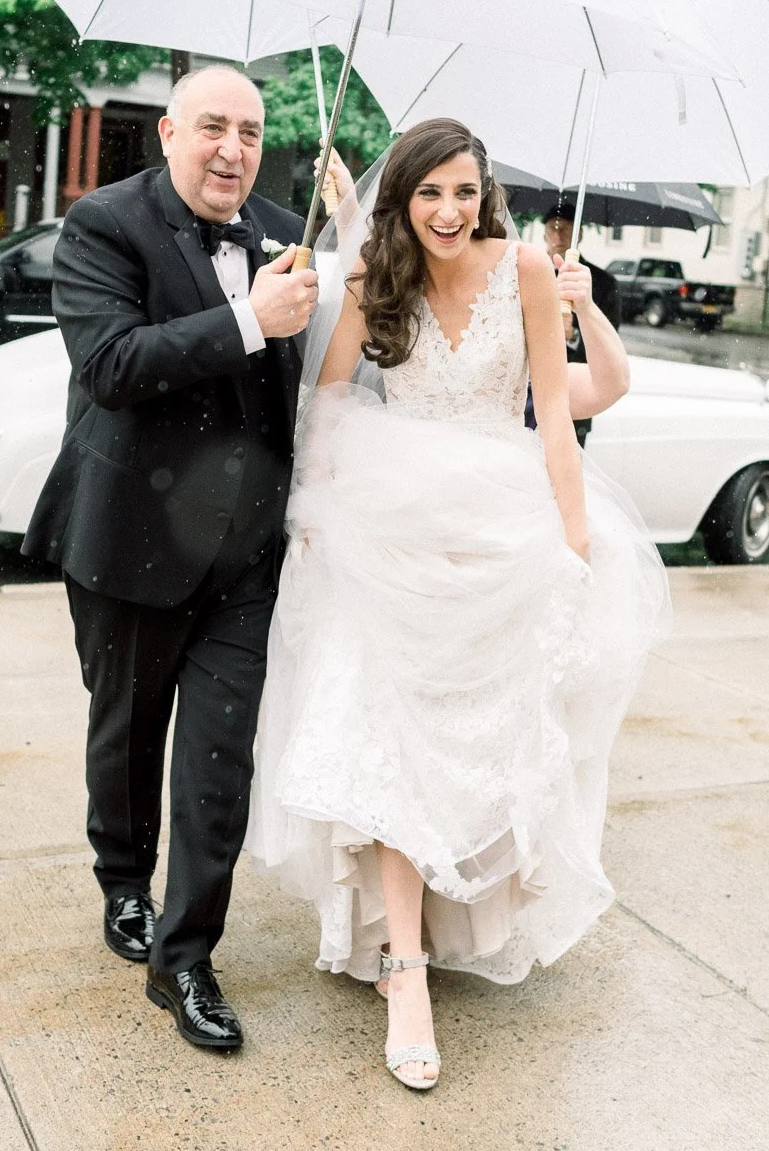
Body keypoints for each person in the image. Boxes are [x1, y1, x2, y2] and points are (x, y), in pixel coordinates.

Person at [247, 119, 670, 1091]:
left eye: (465, 192)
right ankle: (402, 970)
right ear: (402, 197)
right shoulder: (371, 279)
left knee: (484, 749)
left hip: (499, 534)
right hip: (390, 542)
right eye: (429, 192)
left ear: (487, 196)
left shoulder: (524, 267)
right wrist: (316, 515)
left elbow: (560, 421)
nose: (448, 211)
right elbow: (329, 401)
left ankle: (453, 915)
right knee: (390, 743)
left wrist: (571, 541)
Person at [23, 66, 317, 1053]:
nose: (233, 149)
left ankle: (185, 959)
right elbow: (109, 366)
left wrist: (348, 236)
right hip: (129, 540)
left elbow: (302, 392)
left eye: (250, 131)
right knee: (128, 734)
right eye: (213, 128)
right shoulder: (103, 225)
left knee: (216, 763)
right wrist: (247, 322)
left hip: (245, 555)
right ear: (168, 133)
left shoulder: (284, 232)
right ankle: (121, 882)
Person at [525, 197, 622, 447]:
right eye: (552, 229)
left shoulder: (602, 283)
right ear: (544, 233)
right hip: (525, 393)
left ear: (578, 235)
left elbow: (609, 342)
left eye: (565, 229)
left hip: (574, 396)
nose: (558, 236)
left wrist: (572, 334)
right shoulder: (523, 272)